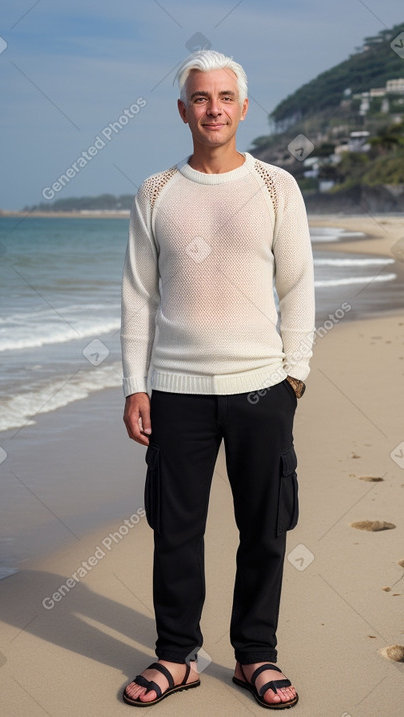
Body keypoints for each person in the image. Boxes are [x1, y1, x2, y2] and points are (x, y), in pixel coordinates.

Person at [121, 49, 315, 709]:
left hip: (263, 388)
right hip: (176, 389)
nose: (213, 109)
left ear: (243, 107)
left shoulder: (275, 186)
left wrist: (296, 377)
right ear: (184, 110)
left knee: (265, 526)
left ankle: (255, 654)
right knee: (175, 529)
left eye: (225, 97)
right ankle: (176, 655)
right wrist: (134, 384)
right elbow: (136, 297)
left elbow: (299, 287)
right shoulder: (155, 191)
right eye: (201, 98)